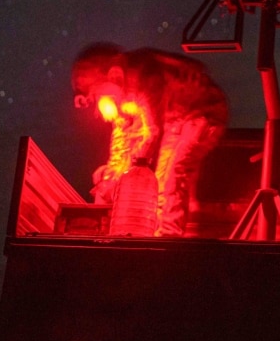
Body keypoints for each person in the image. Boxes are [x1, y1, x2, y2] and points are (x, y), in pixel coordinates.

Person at [71, 43, 228, 237]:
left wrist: (128, 176)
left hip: (202, 112)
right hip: (174, 120)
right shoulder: (117, 93)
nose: (99, 101)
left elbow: (152, 131)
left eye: (97, 93)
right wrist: (111, 178)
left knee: (173, 176)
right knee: (161, 181)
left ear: (112, 75)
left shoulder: (143, 75)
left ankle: (168, 238)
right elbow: (123, 138)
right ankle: (160, 234)